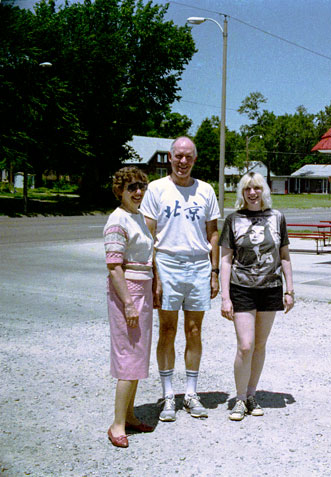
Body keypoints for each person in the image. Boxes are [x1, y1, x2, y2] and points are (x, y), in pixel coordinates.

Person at [140, 136, 220, 422]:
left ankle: (191, 392)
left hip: (198, 265)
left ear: (195, 159)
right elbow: (149, 235)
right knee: (167, 331)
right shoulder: (156, 189)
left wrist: (214, 272)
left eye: (188, 157)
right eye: (178, 156)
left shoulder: (206, 190)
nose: (183, 161)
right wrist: (154, 274)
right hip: (167, 264)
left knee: (195, 330)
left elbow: (213, 233)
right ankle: (168, 395)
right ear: (170, 158)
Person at [219, 171, 294, 421]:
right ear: (242, 193)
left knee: (260, 345)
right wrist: (225, 297)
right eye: (248, 189)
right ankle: (239, 399)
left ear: (264, 191)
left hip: (271, 288)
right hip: (242, 288)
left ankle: (251, 395)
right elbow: (226, 260)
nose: (252, 193)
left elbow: (284, 255)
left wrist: (290, 290)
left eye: (257, 188)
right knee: (245, 345)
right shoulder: (233, 220)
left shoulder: (277, 218)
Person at [103, 166, 155, 448]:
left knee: (138, 356)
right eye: (131, 187)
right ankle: (117, 424)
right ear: (120, 191)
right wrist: (128, 304)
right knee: (127, 358)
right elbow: (114, 267)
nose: (137, 192)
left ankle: (131, 415)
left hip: (143, 292)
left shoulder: (137, 218)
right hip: (127, 295)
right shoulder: (117, 220)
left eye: (141, 187)